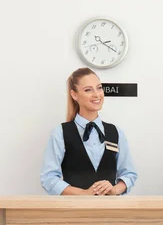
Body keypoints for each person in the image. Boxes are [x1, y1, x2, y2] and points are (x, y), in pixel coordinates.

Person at [40, 67, 138, 195]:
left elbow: (129, 174)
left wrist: (114, 190)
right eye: (88, 90)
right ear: (74, 95)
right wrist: (83, 193)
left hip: (111, 210)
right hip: (74, 211)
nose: (97, 94)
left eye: (99, 88)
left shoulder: (116, 132)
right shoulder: (60, 133)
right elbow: (49, 178)